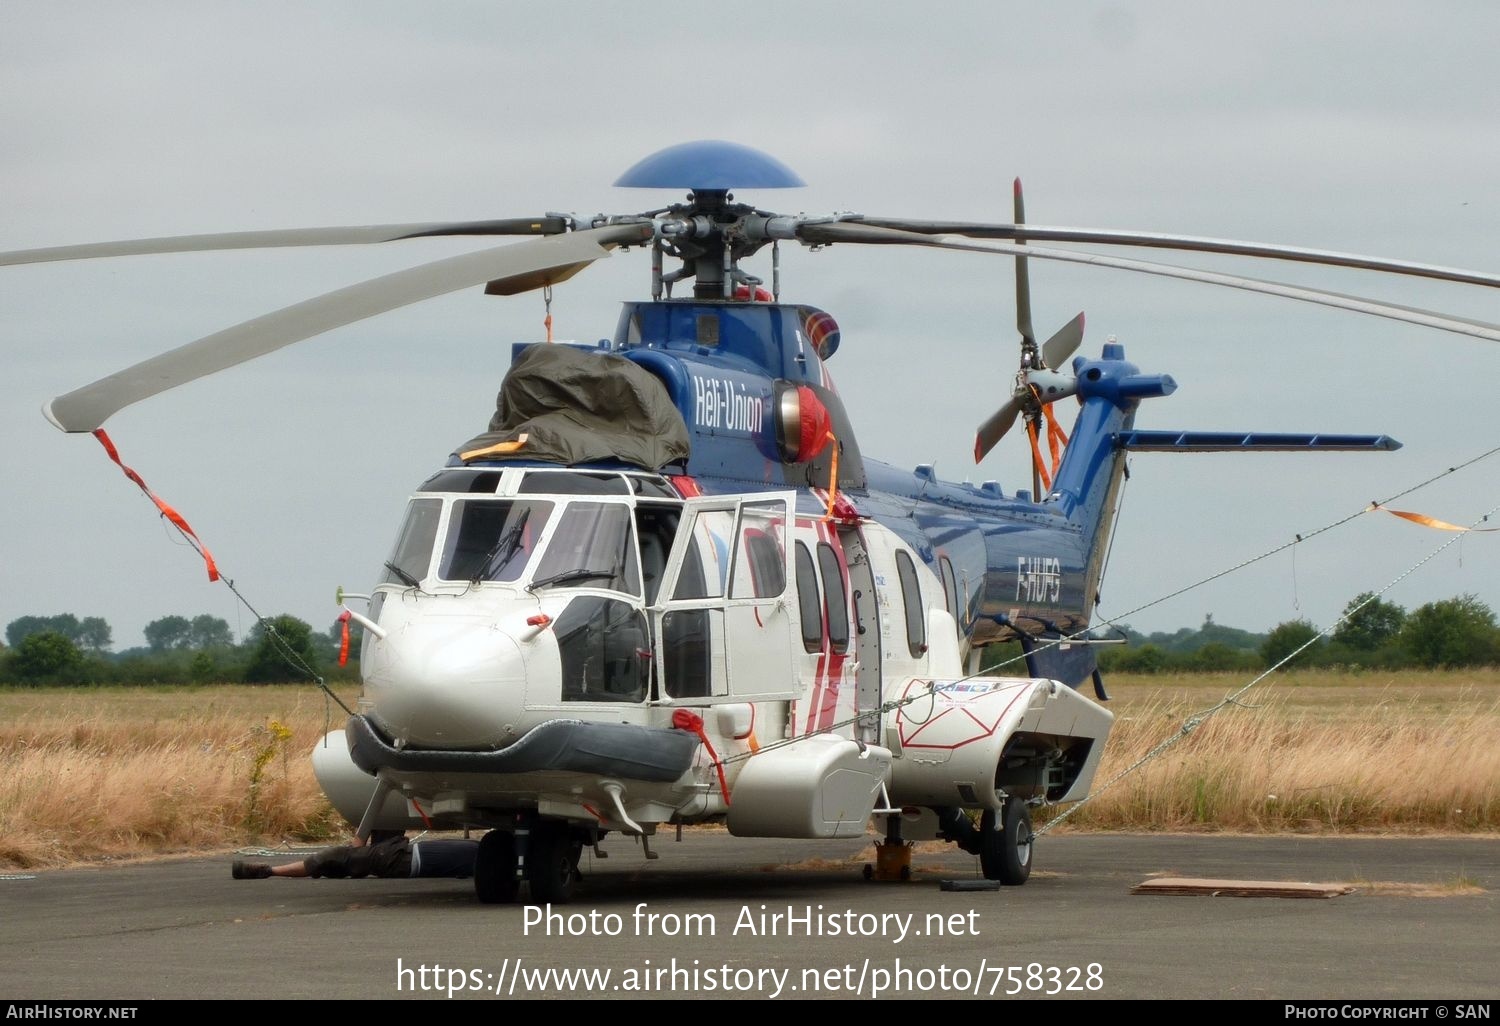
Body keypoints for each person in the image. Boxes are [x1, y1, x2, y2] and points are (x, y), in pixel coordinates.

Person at [232, 830, 479, 880]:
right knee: (330, 861)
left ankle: (268, 871)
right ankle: (267, 871)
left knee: (323, 860)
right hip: (400, 855)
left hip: (397, 858)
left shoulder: (362, 858)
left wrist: (359, 840)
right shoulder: (479, 859)